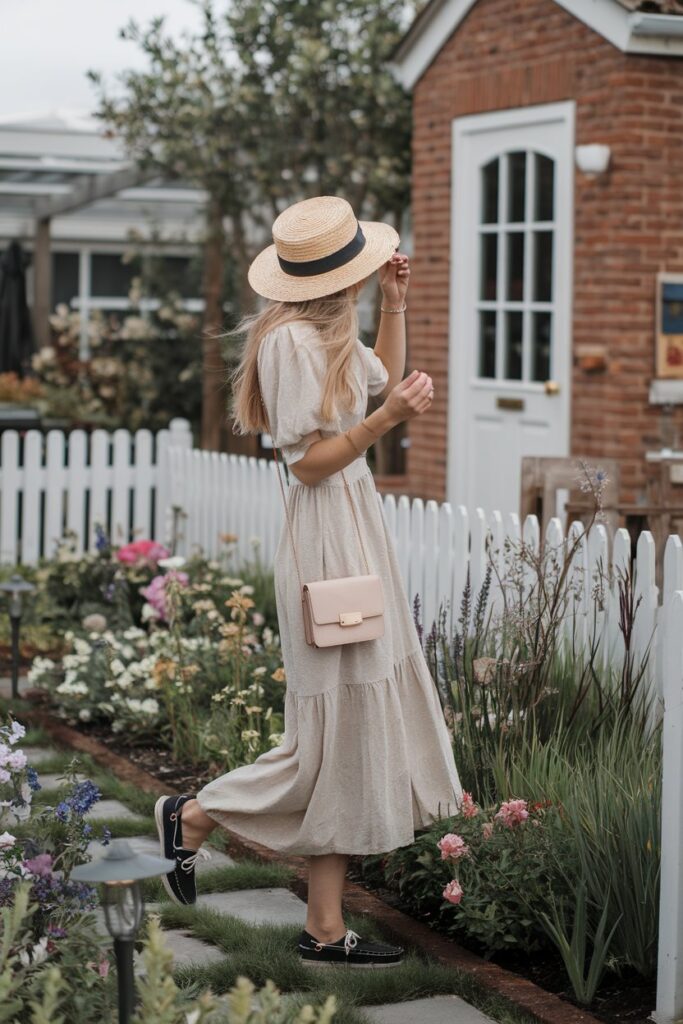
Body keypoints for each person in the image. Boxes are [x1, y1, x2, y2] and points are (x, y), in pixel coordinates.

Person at [155, 195, 464, 969]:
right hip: (326, 536)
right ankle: (195, 813)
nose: (368, 281)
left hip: (354, 528)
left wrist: (394, 307)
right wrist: (383, 422)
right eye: (364, 275)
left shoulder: (327, 331)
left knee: (349, 735)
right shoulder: (290, 342)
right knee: (326, 732)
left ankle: (323, 927)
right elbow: (310, 462)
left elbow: (379, 379)